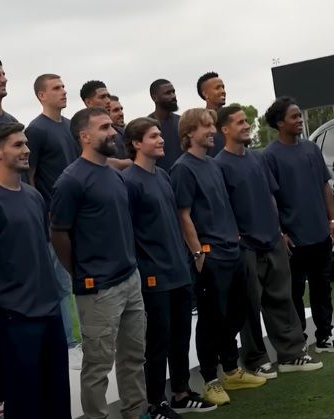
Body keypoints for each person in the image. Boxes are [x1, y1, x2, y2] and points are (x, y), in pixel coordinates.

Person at [0, 122, 71, 419]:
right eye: (18, 145)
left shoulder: (33, 196)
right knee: (25, 402)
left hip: (50, 312)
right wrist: (0, 299)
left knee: (58, 397)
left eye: (26, 144)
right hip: (15, 319)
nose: (27, 150)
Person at [213, 105, 324, 379]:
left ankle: (291, 355)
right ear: (224, 129)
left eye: (246, 121)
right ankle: (255, 359)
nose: (246, 125)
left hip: (271, 240)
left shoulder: (257, 158)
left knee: (282, 300)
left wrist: (277, 230)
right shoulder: (219, 165)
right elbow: (221, 207)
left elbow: (272, 196)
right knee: (249, 307)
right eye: (239, 122)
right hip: (245, 246)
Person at [51, 107, 147, 419]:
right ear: (84, 136)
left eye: (111, 126)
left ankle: (136, 412)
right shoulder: (71, 181)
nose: (113, 132)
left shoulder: (113, 173)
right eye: (104, 127)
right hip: (98, 289)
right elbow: (58, 232)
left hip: (129, 279)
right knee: (98, 365)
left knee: (134, 356)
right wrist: (79, 272)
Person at [121, 118, 217, 419]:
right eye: (153, 136)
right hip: (153, 275)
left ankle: (181, 393)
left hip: (178, 270)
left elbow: (174, 221)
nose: (161, 140)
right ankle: (155, 402)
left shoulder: (163, 176)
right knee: (158, 341)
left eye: (160, 135)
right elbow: (128, 232)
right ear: (137, 144)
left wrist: (191, 255)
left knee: (179, 336)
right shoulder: (129, 181)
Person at [170, 108, 266, 407]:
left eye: (212, 125)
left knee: (236, 313)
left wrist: (235, 237)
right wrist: (198, 252)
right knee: (212, 320)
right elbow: (183, 214)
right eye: (206, 126)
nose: (212, 130)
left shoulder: (212, 165)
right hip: (210, 256)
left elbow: (223, 203)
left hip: (232, 249)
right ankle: (210, 380)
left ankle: (232, 370)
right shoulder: (182, 169)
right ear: (189, 134)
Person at [261, 97, 334, 353]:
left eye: (299, 115)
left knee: (322, 287)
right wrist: (281, 232)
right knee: (293, 292)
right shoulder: (269, 156)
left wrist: (333, 219)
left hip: (320, 233)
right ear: (280, 123)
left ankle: (326, 336)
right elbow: (270, 198)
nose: (299, 120)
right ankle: (298, 342)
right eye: (294, 117)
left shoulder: (311, 149)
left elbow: (324, 185)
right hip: (293, 239)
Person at [24, 74, 83, 369]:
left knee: (83, 280)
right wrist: (41, 214)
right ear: (41, 95)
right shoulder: (35, 130)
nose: (63, 91)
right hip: (54, 220)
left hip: (81, 217)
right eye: (56, 88)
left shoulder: (71, 126)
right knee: (61, 286)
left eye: (63, 87)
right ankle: (70, 344)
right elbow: (30, 175)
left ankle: (88, 340)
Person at [147, 79, 182, 172]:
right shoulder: (146, 126)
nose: (173, 96)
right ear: (155, 98)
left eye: (173, 92)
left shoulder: (183, 122)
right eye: (168, 93)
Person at [196, 72, 226, 156]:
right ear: (205, 94)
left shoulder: (231, 118)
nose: (223, 91)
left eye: (223, 87)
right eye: (217, 88)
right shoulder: (200, 121)